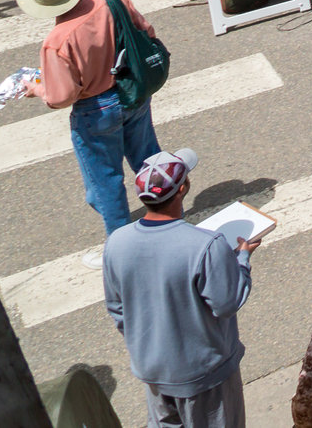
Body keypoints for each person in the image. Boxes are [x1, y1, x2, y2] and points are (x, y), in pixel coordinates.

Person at [103, 148, 259, 428]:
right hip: (205, 377)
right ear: (183, 189)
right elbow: (226, 302)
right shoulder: (206, 245)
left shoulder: (117, 242)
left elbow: (117, 309)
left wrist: (148, 345)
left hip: (153, 372)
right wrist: (242, 259)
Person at [23, 0, 163, 230]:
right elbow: (147, 32)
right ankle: (170, 216)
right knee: (149, 162)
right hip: (133, 90)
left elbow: (61, 96)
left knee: (105, 183)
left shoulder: (57, 41)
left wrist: (38, 89)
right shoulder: (114, 1)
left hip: (96, 110)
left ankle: (120, 248)